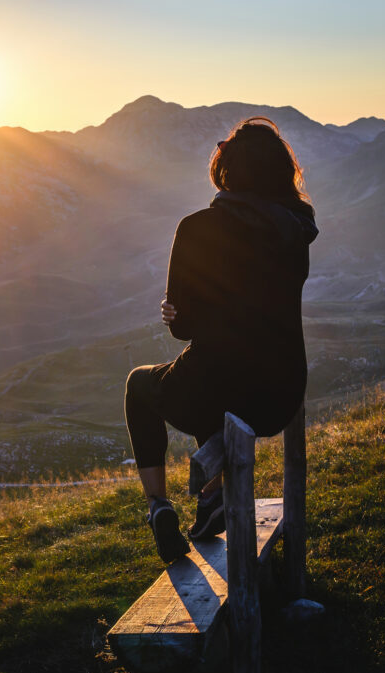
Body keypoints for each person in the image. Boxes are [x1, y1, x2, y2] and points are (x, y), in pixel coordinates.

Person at [124, 116, 319, 563]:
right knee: (214, 375)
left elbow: (182, 328)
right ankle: (213, 499)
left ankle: (158, 506)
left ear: (225, 169)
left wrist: (173, 311)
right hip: (281, 392)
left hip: (220, 389)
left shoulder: (197, 228)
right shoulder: (295, 229)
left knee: (144, 384)